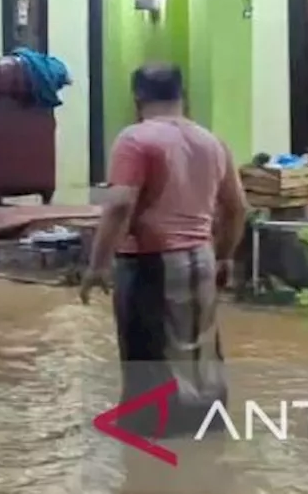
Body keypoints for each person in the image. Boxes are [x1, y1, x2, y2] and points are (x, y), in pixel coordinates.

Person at [79, 63, 248, 436]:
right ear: (181, 94)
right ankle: (206, 434)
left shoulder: (135, 139)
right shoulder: (212, 142)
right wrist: (224, 256)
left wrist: (98, 264)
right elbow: (237, 207)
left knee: (147, 356)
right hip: (201, 259)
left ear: (137, 97)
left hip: (149, 263)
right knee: (200, 351)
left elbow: (121, 205)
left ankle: (148, 440)